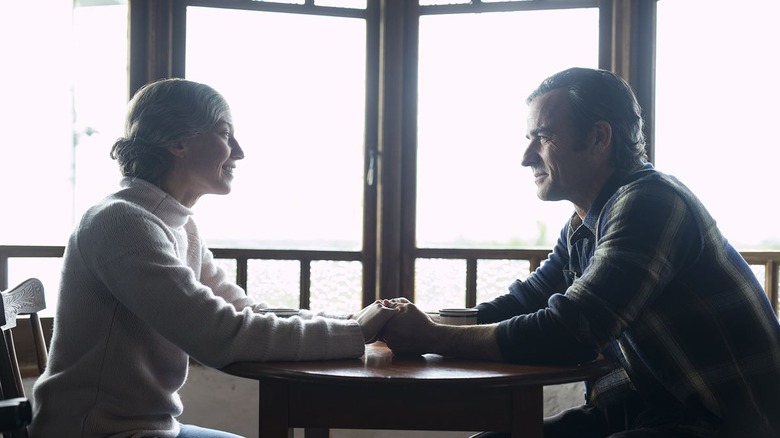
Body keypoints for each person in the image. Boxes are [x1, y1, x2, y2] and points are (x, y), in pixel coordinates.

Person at [379, 67, 780, 437]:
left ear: (598, 138)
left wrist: (433, 337)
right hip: (645, 412)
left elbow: (571, 332)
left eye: (544, 136)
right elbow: (524, 301)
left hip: (721, 424)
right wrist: (416, 320)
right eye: (528, 138)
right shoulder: (583, 223)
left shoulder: (650, 203)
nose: (525, 157)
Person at [30, 78, 398, 438]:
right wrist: (356, 332)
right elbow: (219, 335)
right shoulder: (122, 222)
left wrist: (349, 319)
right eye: (225, 134)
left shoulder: (176, 224)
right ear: (178, 142)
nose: (238, 152)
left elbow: (244, 310)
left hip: (153, 429)